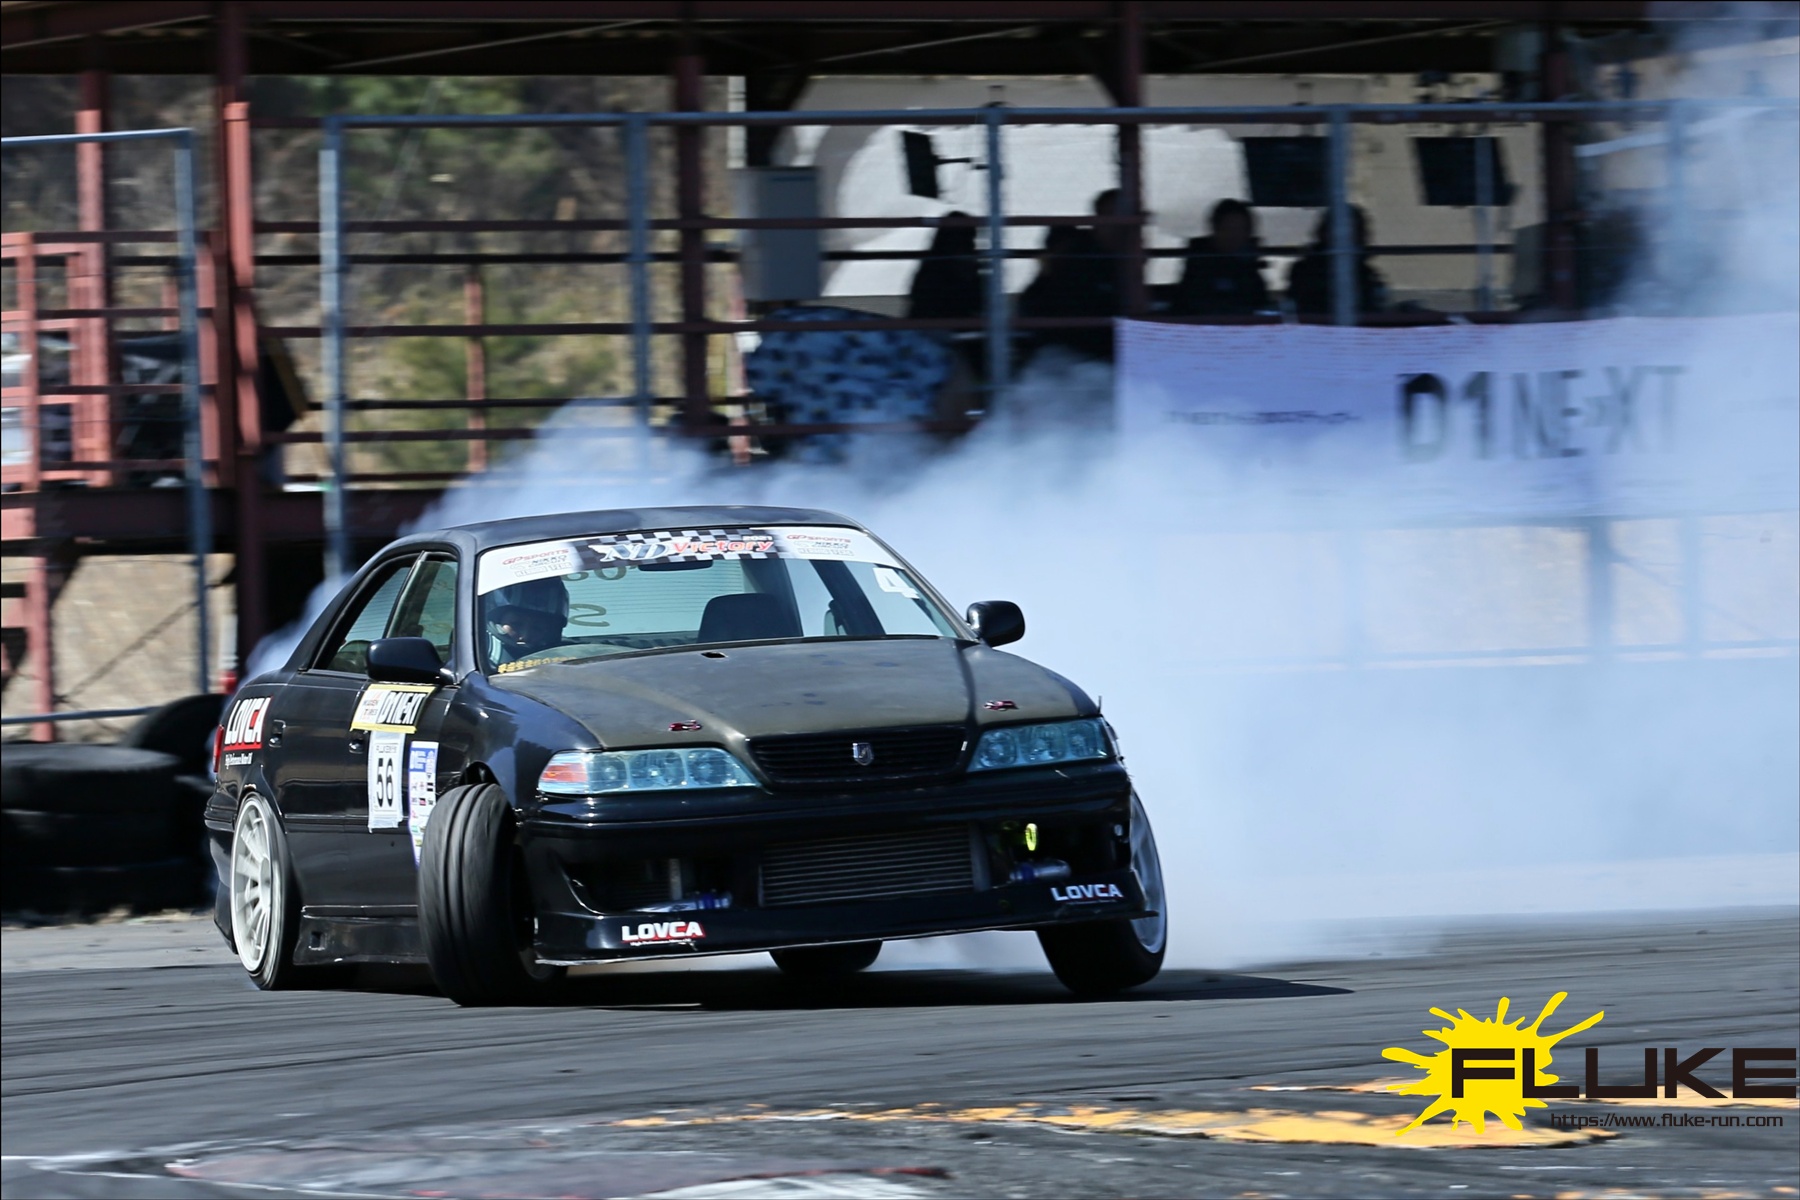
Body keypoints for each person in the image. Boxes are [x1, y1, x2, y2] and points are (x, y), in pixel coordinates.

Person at [1170, 199, 1271, 317]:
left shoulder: (1250, 265)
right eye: (1228, 229)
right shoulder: (1199, 263)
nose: (1234, 236)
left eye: (1240, 229)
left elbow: (1260, 304)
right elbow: (1192, 303)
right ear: (1215, 229)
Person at [1285, 204, 1388, 317]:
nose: (1363, 237)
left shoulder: (1365, 272)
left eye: (1360, 231)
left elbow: (1372, 310)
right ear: (1326, 233)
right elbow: (1309, 309)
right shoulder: (1306, 271)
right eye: (1353, 230)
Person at [907, 214, 981, 321]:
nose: (973, 244)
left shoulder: (932, 263)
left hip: (930, 323)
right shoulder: (959, 264)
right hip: (942, 323)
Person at [482, 577, 569, 665]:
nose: (525, 636)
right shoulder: (479, 654)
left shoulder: (568, 660)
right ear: (496, 621)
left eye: (537, 628)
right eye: (516, 624)